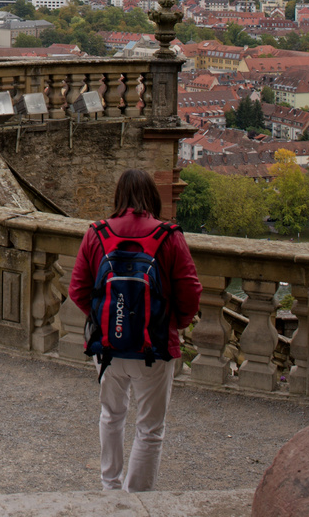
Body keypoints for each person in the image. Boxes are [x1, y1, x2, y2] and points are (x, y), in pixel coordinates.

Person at [68, 168, 201, 493]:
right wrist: (173, 324)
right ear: (152, 197)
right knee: (150, 428)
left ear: (118, 197)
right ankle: (135, 498)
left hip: (108, 347)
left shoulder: (97, 234)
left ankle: (109, 486)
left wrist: (103, 318)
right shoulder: (169, 236)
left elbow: (77, 289)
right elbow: (191, 291)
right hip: (155, 347)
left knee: (111, 415)